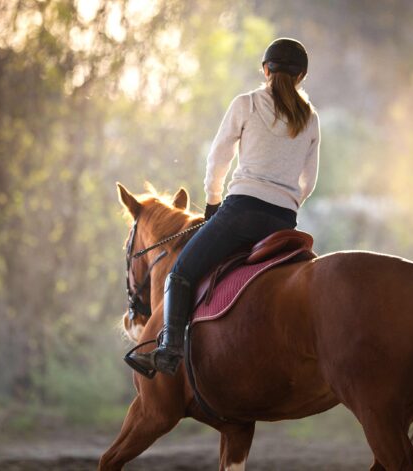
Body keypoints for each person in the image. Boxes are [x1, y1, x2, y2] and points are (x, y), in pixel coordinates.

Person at [126, 38, 321, 377]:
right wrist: (287, 204)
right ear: (301, 76)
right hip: (284, 222)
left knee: (180, 272)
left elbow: (218, 159)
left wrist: (213, 202)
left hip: (241, 213)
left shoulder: (246, 104)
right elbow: (309, 182)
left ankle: (169, 349)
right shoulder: (311, 119)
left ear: (265, 70)